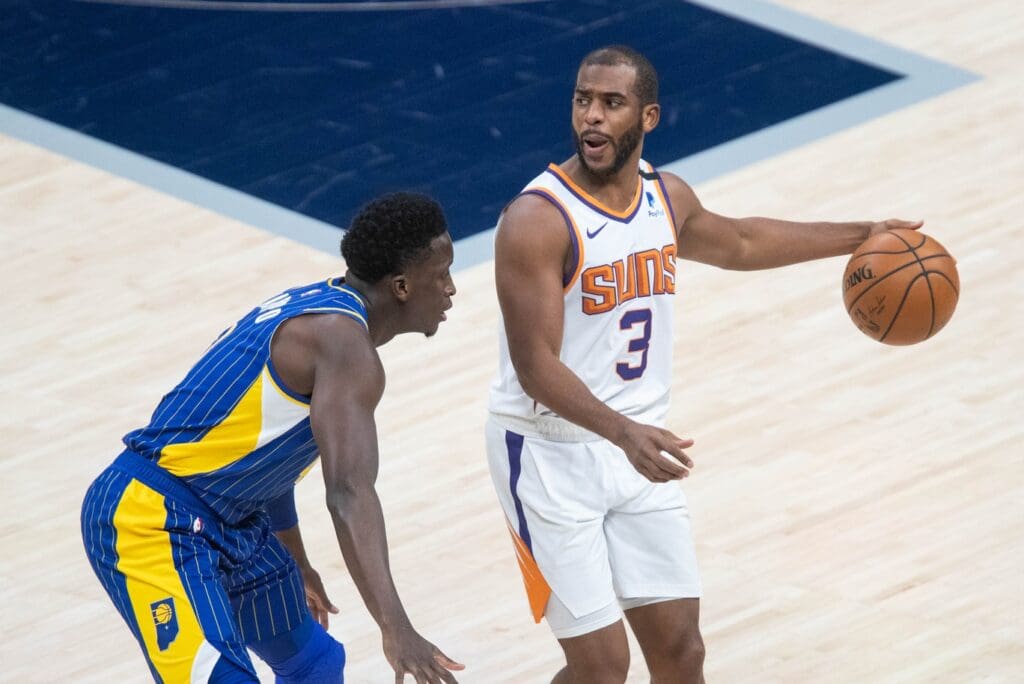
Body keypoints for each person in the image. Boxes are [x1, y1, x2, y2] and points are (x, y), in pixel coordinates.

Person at [486, 45, 922, 684]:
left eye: (612, 103)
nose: (593, 118)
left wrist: (862, 236)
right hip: (548, 455)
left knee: (682, 653)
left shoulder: (666, 199)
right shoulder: (536, 221)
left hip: (639, 446)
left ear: (649, 116)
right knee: (603, 669)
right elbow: (535, 369)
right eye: (583, 99)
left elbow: (741, 242)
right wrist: (624, 433)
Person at [82, 192, 464, 683]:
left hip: (230, 518)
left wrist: (296, 558)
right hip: (151, 517)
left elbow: (258, 442)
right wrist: (396, 628)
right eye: (442, 274)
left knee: (316, 664)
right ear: (402, 286)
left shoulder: (325, 309)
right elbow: (348, 493)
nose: (452, 288)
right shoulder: (343, 344)